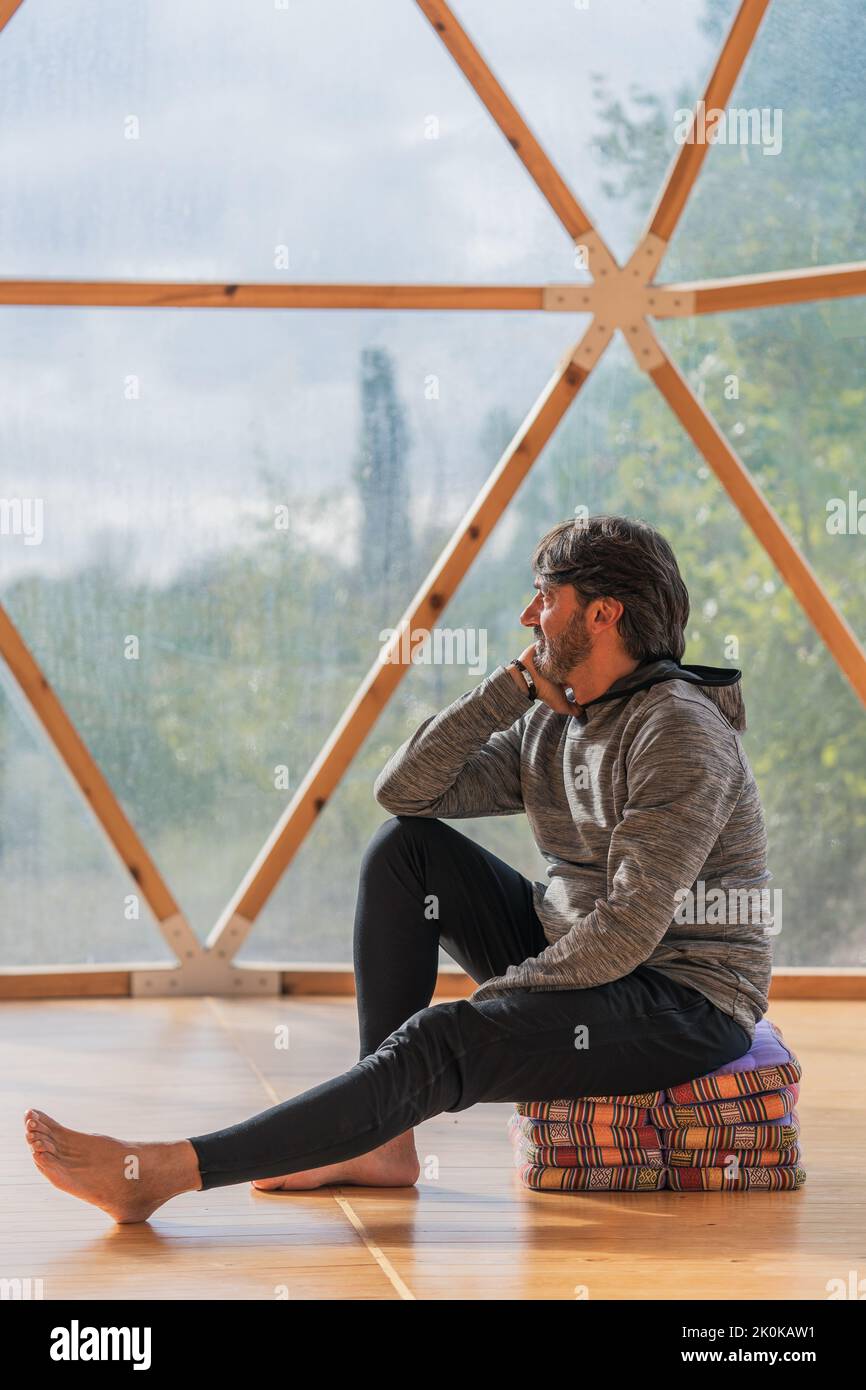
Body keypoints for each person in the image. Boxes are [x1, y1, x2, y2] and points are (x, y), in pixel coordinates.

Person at [24, 514, 774, 1223]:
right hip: (589, 953)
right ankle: (381, 1144)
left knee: (439, 1040)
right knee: (403, 850)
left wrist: (496, 1013)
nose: (528, 617)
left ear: (604, 614)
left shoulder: (677, 728)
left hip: (682, 998)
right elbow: (408, 791)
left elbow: (627, 933)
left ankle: (165, 1172)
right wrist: (506, 692)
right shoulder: (558, 718)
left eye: (545, 598)